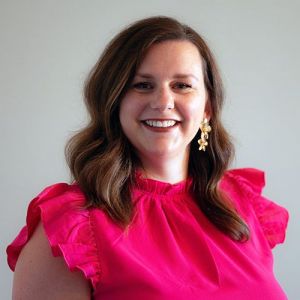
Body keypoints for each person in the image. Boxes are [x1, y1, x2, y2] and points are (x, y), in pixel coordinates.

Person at [6, 16, 289, 299]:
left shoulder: (242, 203)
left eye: (182, 85)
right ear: (114, 100)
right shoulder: (71, 227)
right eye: (142, 85)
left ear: (207, 107)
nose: (163, 102)